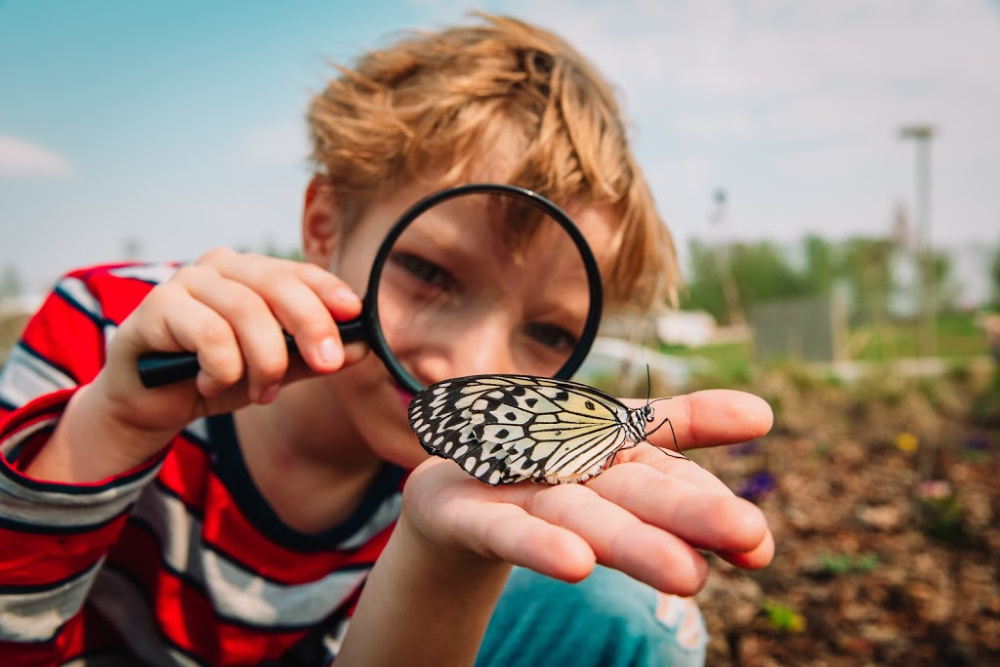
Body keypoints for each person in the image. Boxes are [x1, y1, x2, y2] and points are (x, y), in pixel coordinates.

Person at [0, 13, 774, 666]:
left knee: (627, 613)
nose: (469, 364)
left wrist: (441, 562)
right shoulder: (115, 332)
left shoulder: (488, 468)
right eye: (430, 274)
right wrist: (111, 423)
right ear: (324, 225)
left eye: (547, 331)